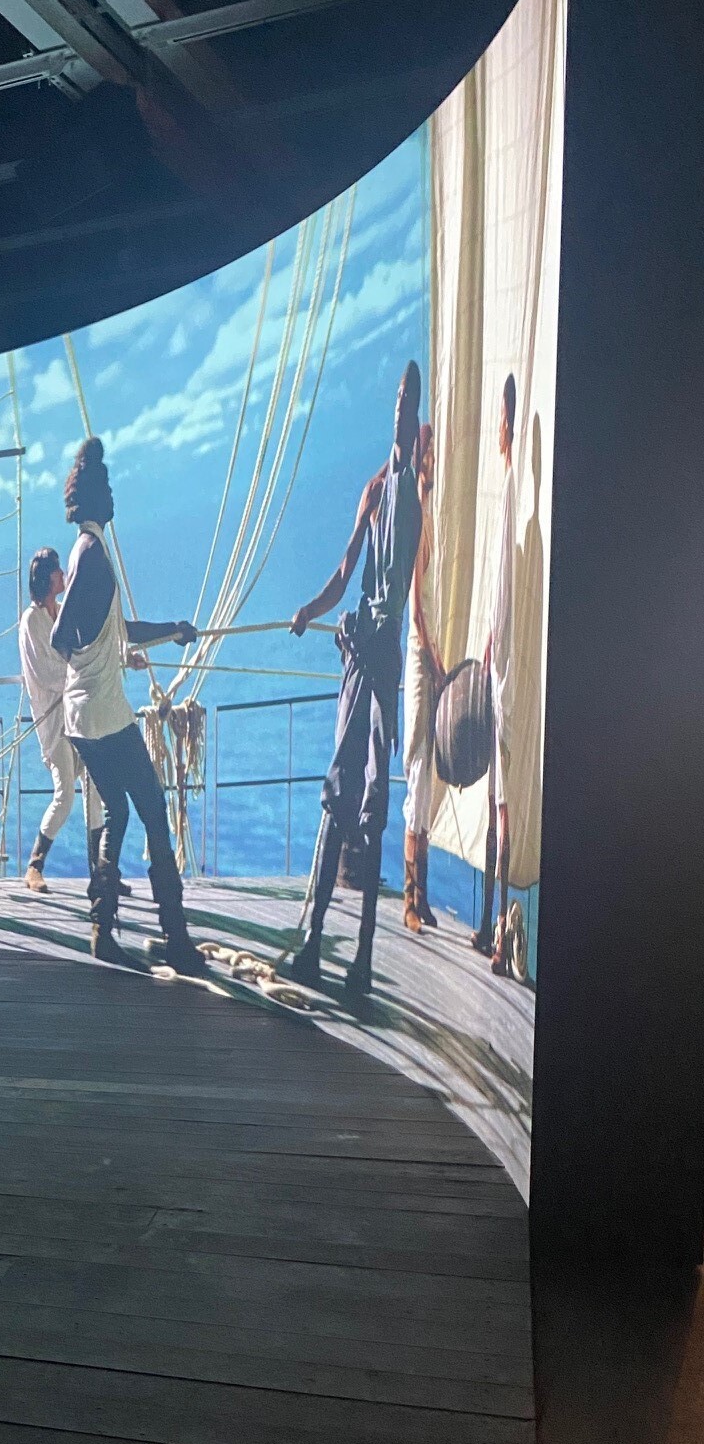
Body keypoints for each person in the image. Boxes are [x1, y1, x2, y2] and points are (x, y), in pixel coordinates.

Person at [286, 362, 429, 998]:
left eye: (411, 400)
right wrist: (309, 613)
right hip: (361, 664)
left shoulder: (412, 499)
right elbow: (347, 571)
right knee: (338, 800)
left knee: (366, 808)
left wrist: (350, 628)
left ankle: (360, 959)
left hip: (379, 660)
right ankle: (312, 939)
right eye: (399, 397)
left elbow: (391, 597)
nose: (403, 408)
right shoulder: (379, 494)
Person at [50, 438, 205, 973]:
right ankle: (177, 938)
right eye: (109, 487)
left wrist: (172, 632)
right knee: (153, 810)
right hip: (106, 713)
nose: (114, 495)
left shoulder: (83, 552)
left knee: (117, 809)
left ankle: (101, 929)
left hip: (80, 717)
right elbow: (60, 632)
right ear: (96, 497)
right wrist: (88, 657)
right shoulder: (92, 554)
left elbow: (115, 628)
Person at [18, 546, 115, 894]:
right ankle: (34, 865)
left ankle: (100, 872)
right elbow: (45, 673)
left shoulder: (59, 613)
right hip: (54, 721)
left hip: (76, 715)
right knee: (65, 794)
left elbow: (83, 649)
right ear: (47, 578)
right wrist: (85, 673)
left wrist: (114, 659)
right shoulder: (31, 621)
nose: (63, 575)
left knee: (93, 790)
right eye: (58, 571)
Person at [473, 374, 519, 975]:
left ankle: (498, 921)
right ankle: (490, 921)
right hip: (497, 658)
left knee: (499, 801)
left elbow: (503, 596)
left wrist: (492, 648)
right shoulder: (510, 496)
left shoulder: (509, 497)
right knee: (494, 799)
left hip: (502, 669)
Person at [401, 422, 440, 933]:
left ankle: (422, 897)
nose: (430, 470)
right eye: (426, 462)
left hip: (427, 655)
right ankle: (409, 900)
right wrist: (431, 655)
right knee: (415, 770)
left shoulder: (427, 518)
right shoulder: (413, 520)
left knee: (427, 774)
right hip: (417, 657)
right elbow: (415, 608)